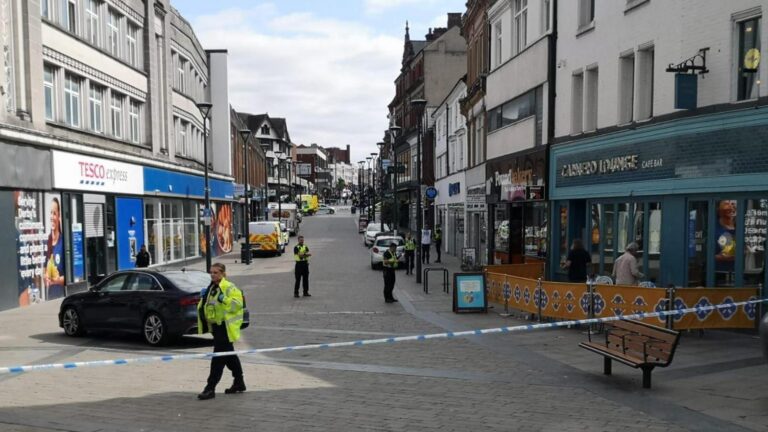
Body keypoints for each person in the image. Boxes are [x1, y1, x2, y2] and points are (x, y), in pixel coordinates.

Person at [197, 263, 245, 400]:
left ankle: (210, 388)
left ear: (223, 273)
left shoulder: (229, 287)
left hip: (225, 327)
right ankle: (239, 382)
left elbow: (237, 305)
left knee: (218, 358)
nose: (212, 275)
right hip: (216, 328)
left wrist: (224, 299)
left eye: (216, 272)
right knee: (230, 356)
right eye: (211, 272)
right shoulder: (212, 287)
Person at [44, 197, 65, 300]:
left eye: (54, 213)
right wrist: (46, 277)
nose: (52, 217)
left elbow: (70, 278)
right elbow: (44, 270)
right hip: (50, 297)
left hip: (61, 297)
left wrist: (56, 280)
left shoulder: (64, 242)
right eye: (50, 213)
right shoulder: (47, 242)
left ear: (59, 216)